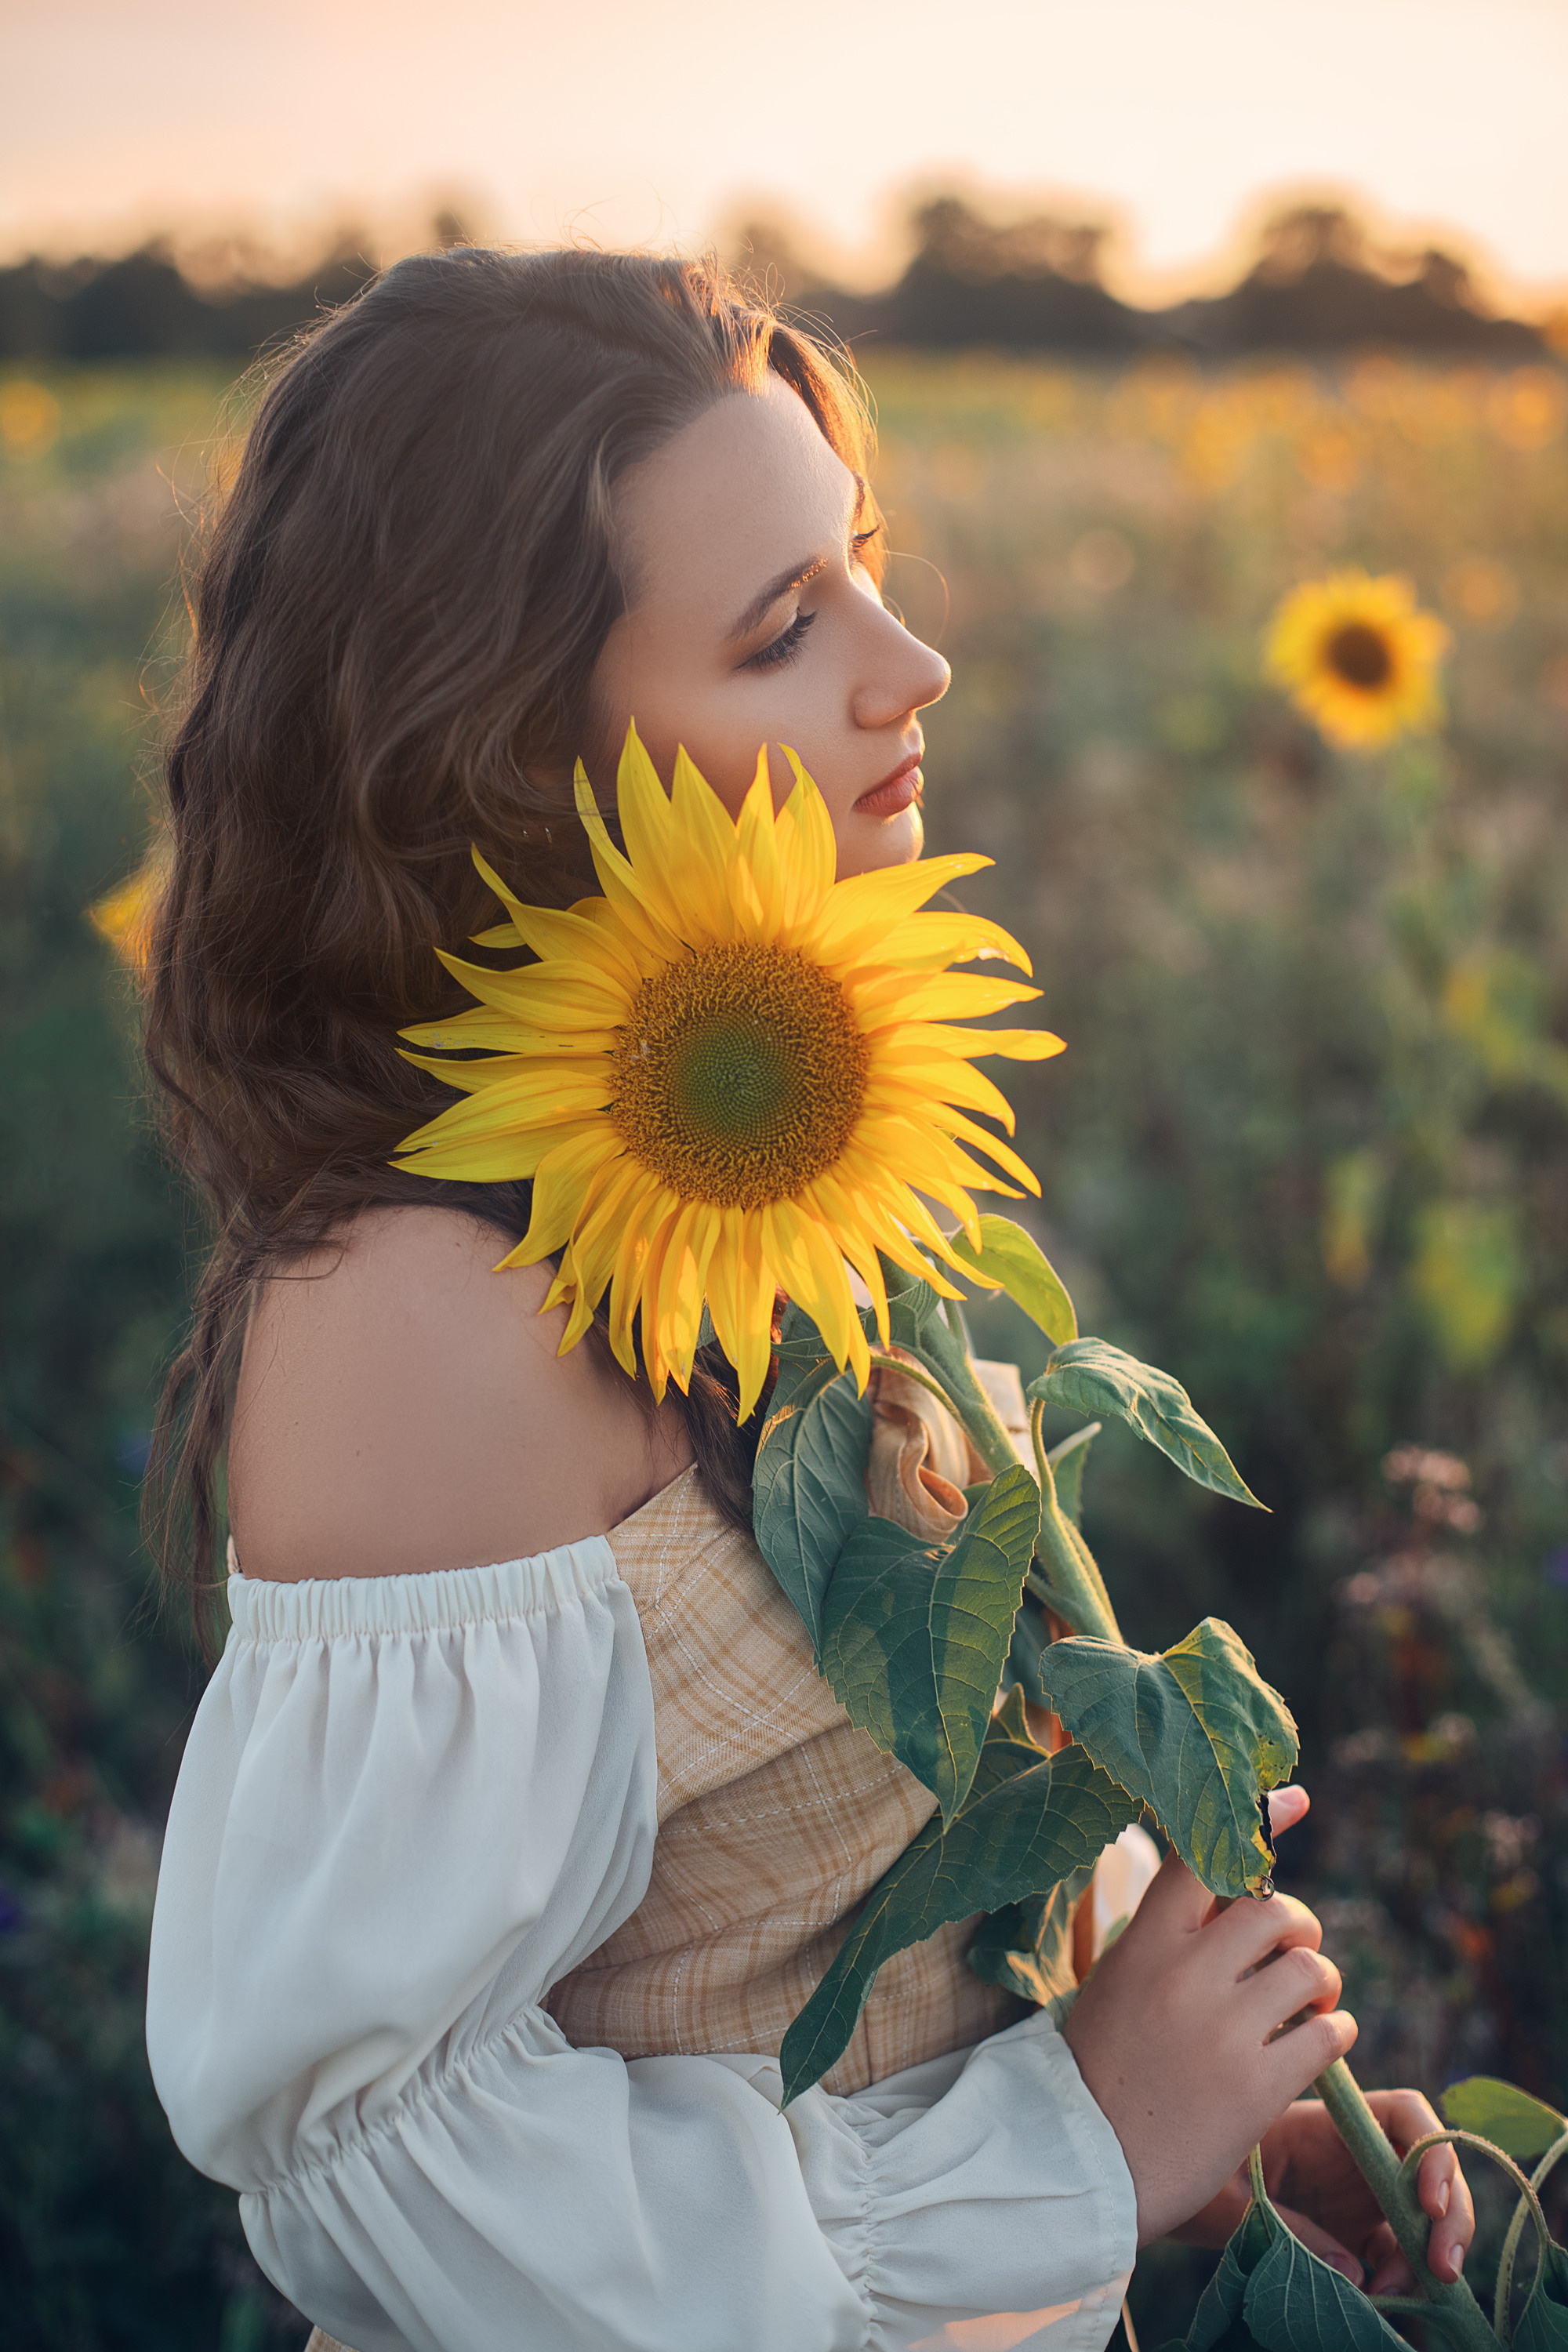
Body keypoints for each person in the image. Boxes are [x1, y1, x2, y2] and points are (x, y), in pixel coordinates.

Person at [141, 247, 1472, 2352]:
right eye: (785, 629)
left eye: (862, 564)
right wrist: (1069, 2150)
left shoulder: (763, 1142)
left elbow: (901, 1836)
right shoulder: (429, 1313)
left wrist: (1197, 2162)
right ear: (507, 755)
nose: (913, 659)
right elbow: (372, 2164)